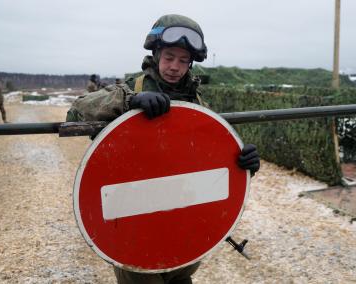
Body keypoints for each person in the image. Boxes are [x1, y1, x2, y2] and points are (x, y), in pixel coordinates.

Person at [67, 14, 260, 284]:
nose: (175, 67)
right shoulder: (131, 88)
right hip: (134, 213)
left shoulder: (196, 100)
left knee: (181, 274)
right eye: (169, 57)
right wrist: (129, 102)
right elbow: (75, 113)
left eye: (183, 61)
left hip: (183, 212)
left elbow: (208, 156)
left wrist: (242, 162)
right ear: (156, 54)